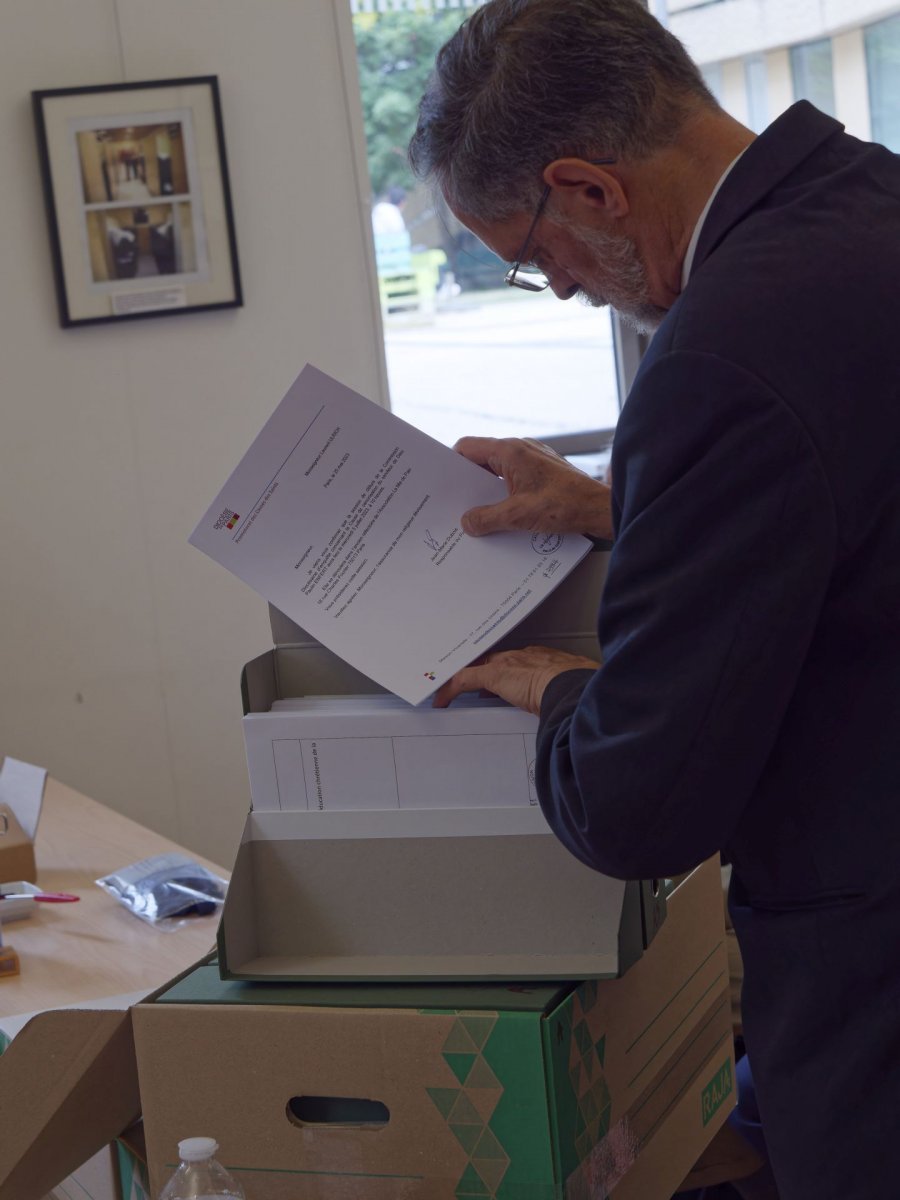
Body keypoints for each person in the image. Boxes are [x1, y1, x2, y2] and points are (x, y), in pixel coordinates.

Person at [407, 2, 900, 1197]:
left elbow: (641, 809)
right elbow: (859, 502)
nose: (563, 292)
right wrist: (616, 506)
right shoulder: (874, 201)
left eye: (530, 258)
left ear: (588, 189)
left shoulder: (719, 356)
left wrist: (561, 690)